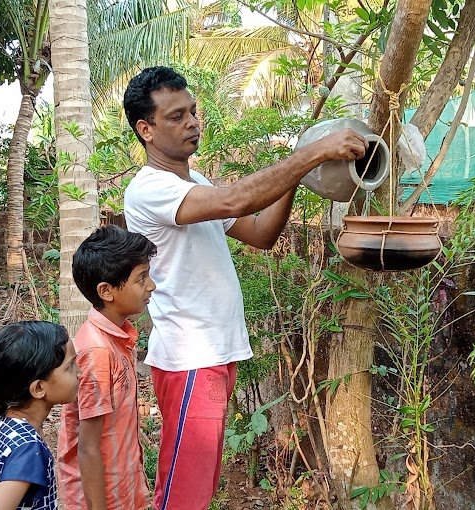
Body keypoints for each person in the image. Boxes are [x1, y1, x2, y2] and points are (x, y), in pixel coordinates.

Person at [122, 66, 369, 509]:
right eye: (177, 116)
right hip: (189, 360)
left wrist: (298, 172)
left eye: (193, 111)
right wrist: (310, 154)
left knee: (198, 490)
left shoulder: (195, 183)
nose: (193, 122)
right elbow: (237, 200)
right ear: (146, 129)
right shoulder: (149, 190)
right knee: (182, 496)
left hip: (215, 355)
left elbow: (260, 233)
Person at [57, 225, 157, 510]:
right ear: (107, 291)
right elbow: (87, 447)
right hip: (103, 497)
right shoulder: (98, 352)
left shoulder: (118, 338)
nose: (151, 286)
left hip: (121, 484)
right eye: (141, 278)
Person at [0, 321, 79, 510]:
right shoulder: (29, 449)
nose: (80, 372)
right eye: (70, 367)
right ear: (38, 388)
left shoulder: (5, 424)